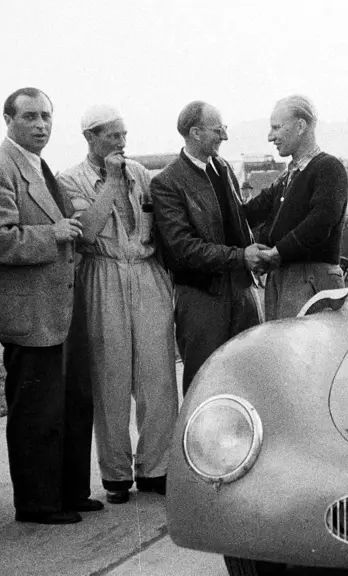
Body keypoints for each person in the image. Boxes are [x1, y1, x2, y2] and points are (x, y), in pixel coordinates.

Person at [57, 105, 177, 505]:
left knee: (157, 373)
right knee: (110, 375)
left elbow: (156, 225)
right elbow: (87, 233)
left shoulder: (140, 174)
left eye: (124, 135)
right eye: (113, 136)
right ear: (91, 138)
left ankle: (155, 468)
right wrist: (109, 181)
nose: (122, 144)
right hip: (103, 272)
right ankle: (116, 474)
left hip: (145, 270)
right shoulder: (70, 179)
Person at [0, 87, 100, 524]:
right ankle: (38, 503)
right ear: (9, 120)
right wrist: (53, 234)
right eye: (30, 117)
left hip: (63, 303)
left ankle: (70, 491)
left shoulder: (40, 166)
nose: (41, 124)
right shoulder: (3, 166)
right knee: (37, 409)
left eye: (46, 117)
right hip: (30, 311)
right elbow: (2, 239)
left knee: (74, 399)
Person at [151, 101, 262, 394]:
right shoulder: (168, 182)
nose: (224, 135)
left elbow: (239, 218)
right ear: (195, 132)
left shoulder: (223, 167)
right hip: (202, 298)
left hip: (241, 289)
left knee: (249, 377)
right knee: (205, 385)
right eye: (218, 129)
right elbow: (183, 249)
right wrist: (241, 257)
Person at [244, 94, 348, 320]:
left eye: (276, 127)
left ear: (300, 126)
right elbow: (249, 213)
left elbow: (321, 221)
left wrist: (277, 252)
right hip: (284, 279)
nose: (270, 136)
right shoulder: (287, 177)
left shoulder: (328, 167)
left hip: (311, 282)